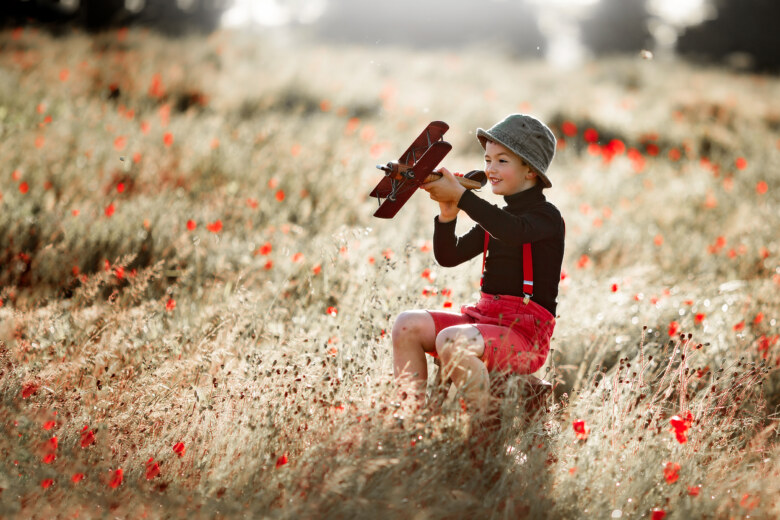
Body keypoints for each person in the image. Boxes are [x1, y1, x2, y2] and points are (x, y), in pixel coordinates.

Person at [391, 113, 564, 416]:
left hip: (524, 335)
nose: (490, 169)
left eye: (502, 161)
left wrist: (462, 197)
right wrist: (448, 213)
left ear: (530, 171)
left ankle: (486, 433)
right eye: (487, 160)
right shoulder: (495, 218)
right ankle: (412, 421)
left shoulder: (545, 217)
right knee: (407, 324)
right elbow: (449, 256)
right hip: (484, 320)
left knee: (451, 341)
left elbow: (511, 230)